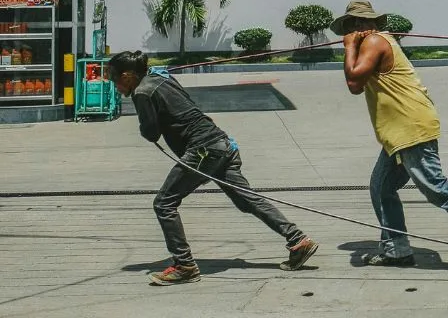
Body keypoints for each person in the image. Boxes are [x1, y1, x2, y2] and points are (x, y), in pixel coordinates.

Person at [105, 51, 318, 286]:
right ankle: (298, 240)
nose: (115, 86)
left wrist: (145, 122)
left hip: (202, 150)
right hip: (220, 143)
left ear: (127, 75)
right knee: (246, 199)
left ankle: (184, 265)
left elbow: (151, 132)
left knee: (164, 203)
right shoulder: (161, 77)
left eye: (114, 79)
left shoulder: (143, 92)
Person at [334, 0, 448, 270]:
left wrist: (348, 47)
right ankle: (397, 250)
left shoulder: (375, 42)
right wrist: (353, 47)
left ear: (373, 23)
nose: (358, 27)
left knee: (436, 188)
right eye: (353, 24)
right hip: (398, 132)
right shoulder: (373, 42)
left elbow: (353, 82)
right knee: (381, 189)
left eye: (362, 22)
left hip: (410, 127)